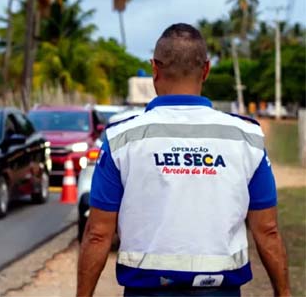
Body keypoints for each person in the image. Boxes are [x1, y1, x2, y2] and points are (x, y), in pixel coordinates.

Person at [77, 24, 290, 297]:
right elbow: (267, 230)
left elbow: (97, 234)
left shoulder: (122, 138)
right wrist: (283, 293)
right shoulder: (246, 137)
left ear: (154, 69)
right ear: (206, 70)